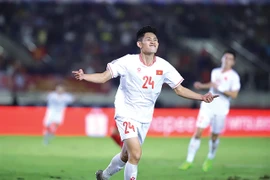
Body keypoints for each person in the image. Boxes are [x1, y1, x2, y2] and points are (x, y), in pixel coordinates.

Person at [72, 26, 218, 180]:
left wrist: (201, 97)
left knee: (126, 155)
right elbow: (103, 77)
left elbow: (179, 89)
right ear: (139, 44)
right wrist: (85, 76)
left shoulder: (164, 66)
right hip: (126, 112)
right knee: (136, 154)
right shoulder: (128, 61)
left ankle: (104, 176)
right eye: (149, 39)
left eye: (155, 40)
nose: (153, 42)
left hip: (145, 117)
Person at [179, 50, 241, 172]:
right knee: (198, 132)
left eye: (229, 59)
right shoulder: (215, 72)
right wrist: (201, 86)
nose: (226, 60)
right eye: (225, 57)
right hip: (207, 106)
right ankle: (189, 160)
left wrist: (221, 88)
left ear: (233, 62)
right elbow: (213, 85)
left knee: (214, 136)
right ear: (222, 59)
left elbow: (234, 95)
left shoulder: (234, 77)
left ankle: (210, 158)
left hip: (221, 109)